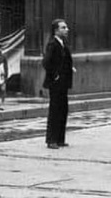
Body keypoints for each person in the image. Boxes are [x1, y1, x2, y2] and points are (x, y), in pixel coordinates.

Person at [43, 18, 76, 149]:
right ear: (56, 30)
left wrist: (70, 68)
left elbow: (65, 60)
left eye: (66, 27)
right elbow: (46, 62)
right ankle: (51, 140)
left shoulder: (63, 43)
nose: (66, 30)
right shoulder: (52, 44)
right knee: (55, 110)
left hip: (64, 82)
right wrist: (55, 75)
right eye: (63, 28)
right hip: (56, 83)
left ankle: (60, 138)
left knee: (63, 110)